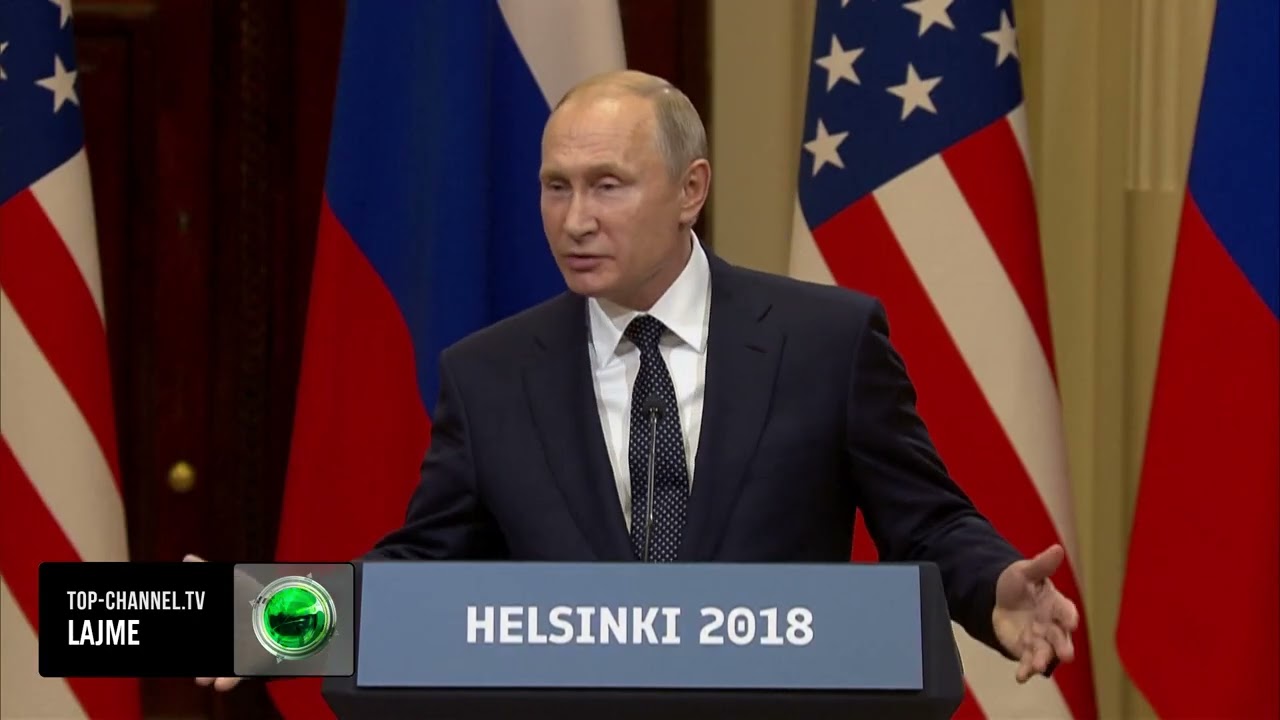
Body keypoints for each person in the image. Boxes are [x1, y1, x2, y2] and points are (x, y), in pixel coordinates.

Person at [194, 70, 1076, 692]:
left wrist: (989, 586)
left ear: (691, 190)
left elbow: (925, 520)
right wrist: (269, 619)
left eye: (608, 186)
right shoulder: (490, 375)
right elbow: (423, 567)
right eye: (556, 187)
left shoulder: (826, 342)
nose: (575, 220)